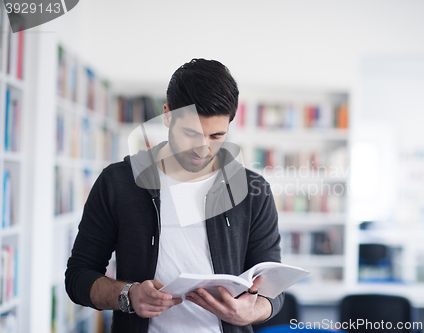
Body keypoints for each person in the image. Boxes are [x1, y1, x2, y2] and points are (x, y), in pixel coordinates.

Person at [65, 59, 284, 333]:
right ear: (167, 115)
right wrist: (128, 295)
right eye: (191, 134)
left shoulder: (253, 191)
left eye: (216, 135)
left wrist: (252, 311)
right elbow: (78, 277)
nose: (203, 150)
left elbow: (273, 289)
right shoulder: (118, 182)